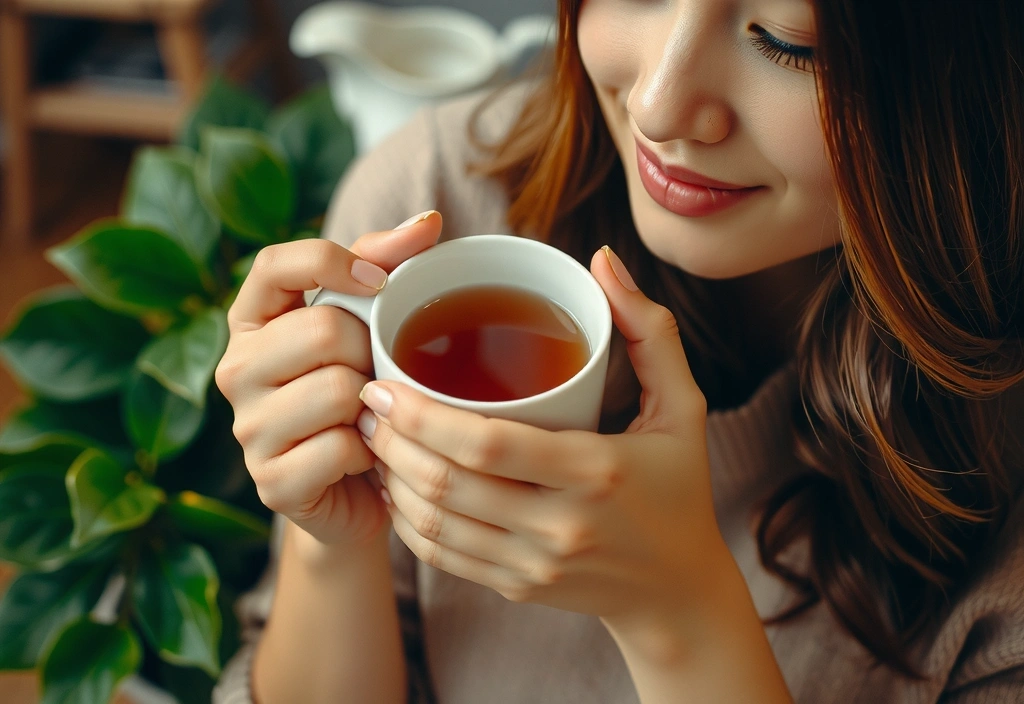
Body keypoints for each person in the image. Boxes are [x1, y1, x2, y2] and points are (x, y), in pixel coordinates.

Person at [212, 0, 1024, 702]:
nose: (660, 105)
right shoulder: (436, 200)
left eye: (788, 39)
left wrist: (679, 616)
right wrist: (333, 547)